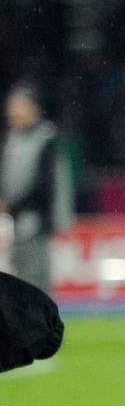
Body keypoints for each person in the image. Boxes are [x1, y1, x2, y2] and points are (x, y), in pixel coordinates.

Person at [1, 85, 70, 294]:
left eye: (17, 107)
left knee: (34, 279)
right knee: (22, 276)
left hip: (35, 220)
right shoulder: (13, 138)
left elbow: (45, 185)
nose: (12, 113)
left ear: (32, 108)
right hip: (17, 220)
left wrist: (12, 205)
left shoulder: (45, 139)